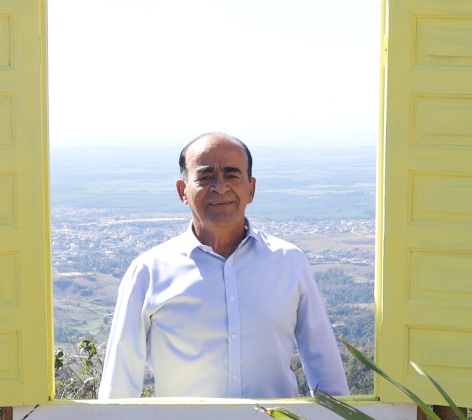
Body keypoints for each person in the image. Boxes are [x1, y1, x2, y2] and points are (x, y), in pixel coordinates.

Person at [97, 132, 349, 400]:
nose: (220, 187)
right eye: (206, 177)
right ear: (183, 191)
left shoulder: (288, 262)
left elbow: (324, 365)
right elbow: (119, 384)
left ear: (251, 189)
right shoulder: (148, 271)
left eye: (232, 175)